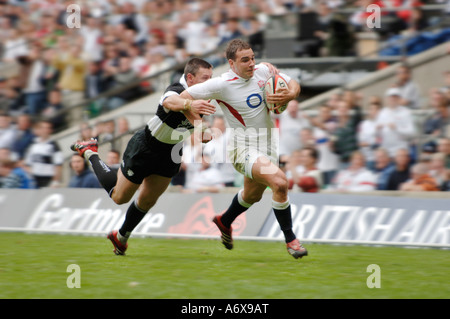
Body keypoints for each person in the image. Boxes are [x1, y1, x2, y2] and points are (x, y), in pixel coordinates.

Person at [167, 39, 307, 259]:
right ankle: (291, 241)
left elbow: (294, 84)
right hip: (243, 147)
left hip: (269, 143)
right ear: (231, 63)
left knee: (252, 195)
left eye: (252, 57)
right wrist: (199, 123)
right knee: (280, 182)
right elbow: (183, 97)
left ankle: (224, 221)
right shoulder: (222, 84)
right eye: (245, 60)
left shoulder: (263, 71)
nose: (252, 63)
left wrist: (289, 95)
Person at [70, 58, 216, 255]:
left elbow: (202, 135)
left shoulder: (203, 94)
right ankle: (90, 152)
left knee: (148, 200)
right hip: (146, 147)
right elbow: (169, 101)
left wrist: (203, 129)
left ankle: (121, 237)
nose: (209, 82)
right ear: (190, 78)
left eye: (211, 78)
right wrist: (191, 107)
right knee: (119, 197)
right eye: (205, 78)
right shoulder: (176, 88)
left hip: (171, 153)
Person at [376, 88, 416, 158]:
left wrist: (397, 128)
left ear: (399, 98)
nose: (393, 99)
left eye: (395, 97)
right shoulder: (382, 113)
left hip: (401, 151)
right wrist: (378, 129)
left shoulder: (405, 112)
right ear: (387, 99)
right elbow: (377, 135)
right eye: (391, 97)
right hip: (386, 152)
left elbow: (412, 132)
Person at [24, 120, 63, 188]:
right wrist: (30, 177)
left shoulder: (54, 145)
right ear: (40, 129)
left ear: (50, 130)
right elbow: (28, 163)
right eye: (43, 128)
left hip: (48, 180)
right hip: (35, 179)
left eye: (47, 128)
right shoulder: (33, 144)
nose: (45, 130)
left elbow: (58, 165)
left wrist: (55, 181)